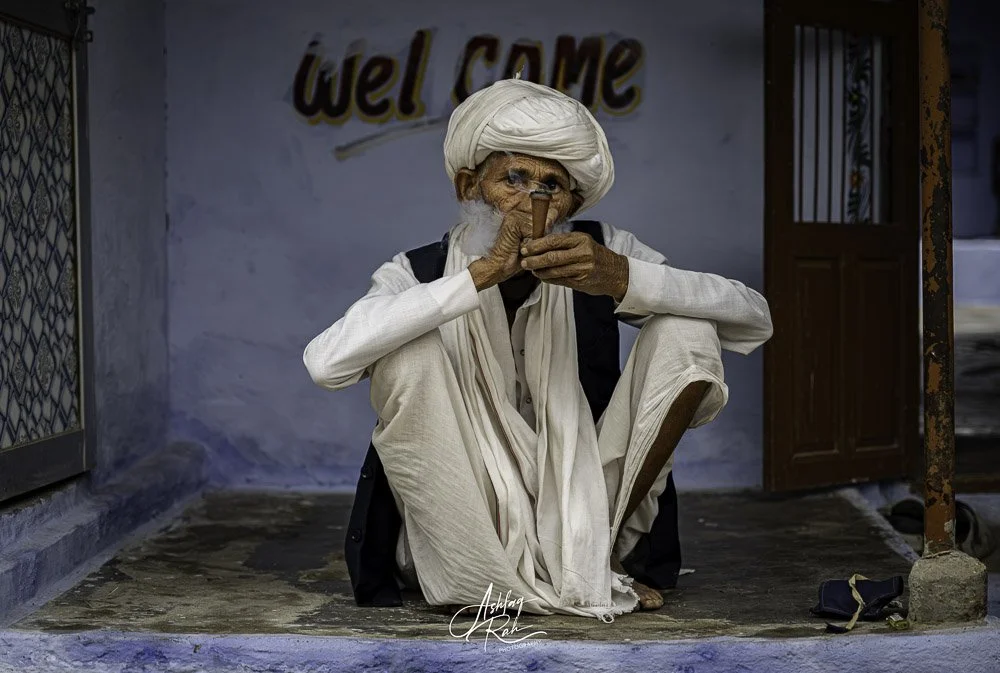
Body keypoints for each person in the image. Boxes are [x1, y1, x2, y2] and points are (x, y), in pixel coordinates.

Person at [303, 77, 773, 621]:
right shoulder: (417, 272)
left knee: (687, 330)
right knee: (404, 350)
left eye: (552, 186)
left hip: (591, 507)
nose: (533, 200)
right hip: (465, 529)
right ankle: (495, 575)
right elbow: (326, 362)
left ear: (570, 204)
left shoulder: (602, 250)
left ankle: (589, 559)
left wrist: (622, 278)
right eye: (515, 178)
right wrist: (478, 277)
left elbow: (751, 316)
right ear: (469, 188)